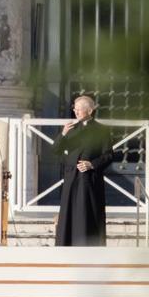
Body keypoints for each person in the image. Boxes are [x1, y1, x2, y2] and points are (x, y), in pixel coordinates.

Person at [54, 95, 114, 246]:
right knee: (70, 213)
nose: (76, 112)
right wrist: (63, 134)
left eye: (79, 109)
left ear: (90, 110)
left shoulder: (102, 130)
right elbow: (55, 150)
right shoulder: (71, 129)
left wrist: (92, 164)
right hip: (72, 178)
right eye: (75, 109)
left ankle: (89, 245)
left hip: (90, 179)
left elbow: (109, 155)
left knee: (88, 213)